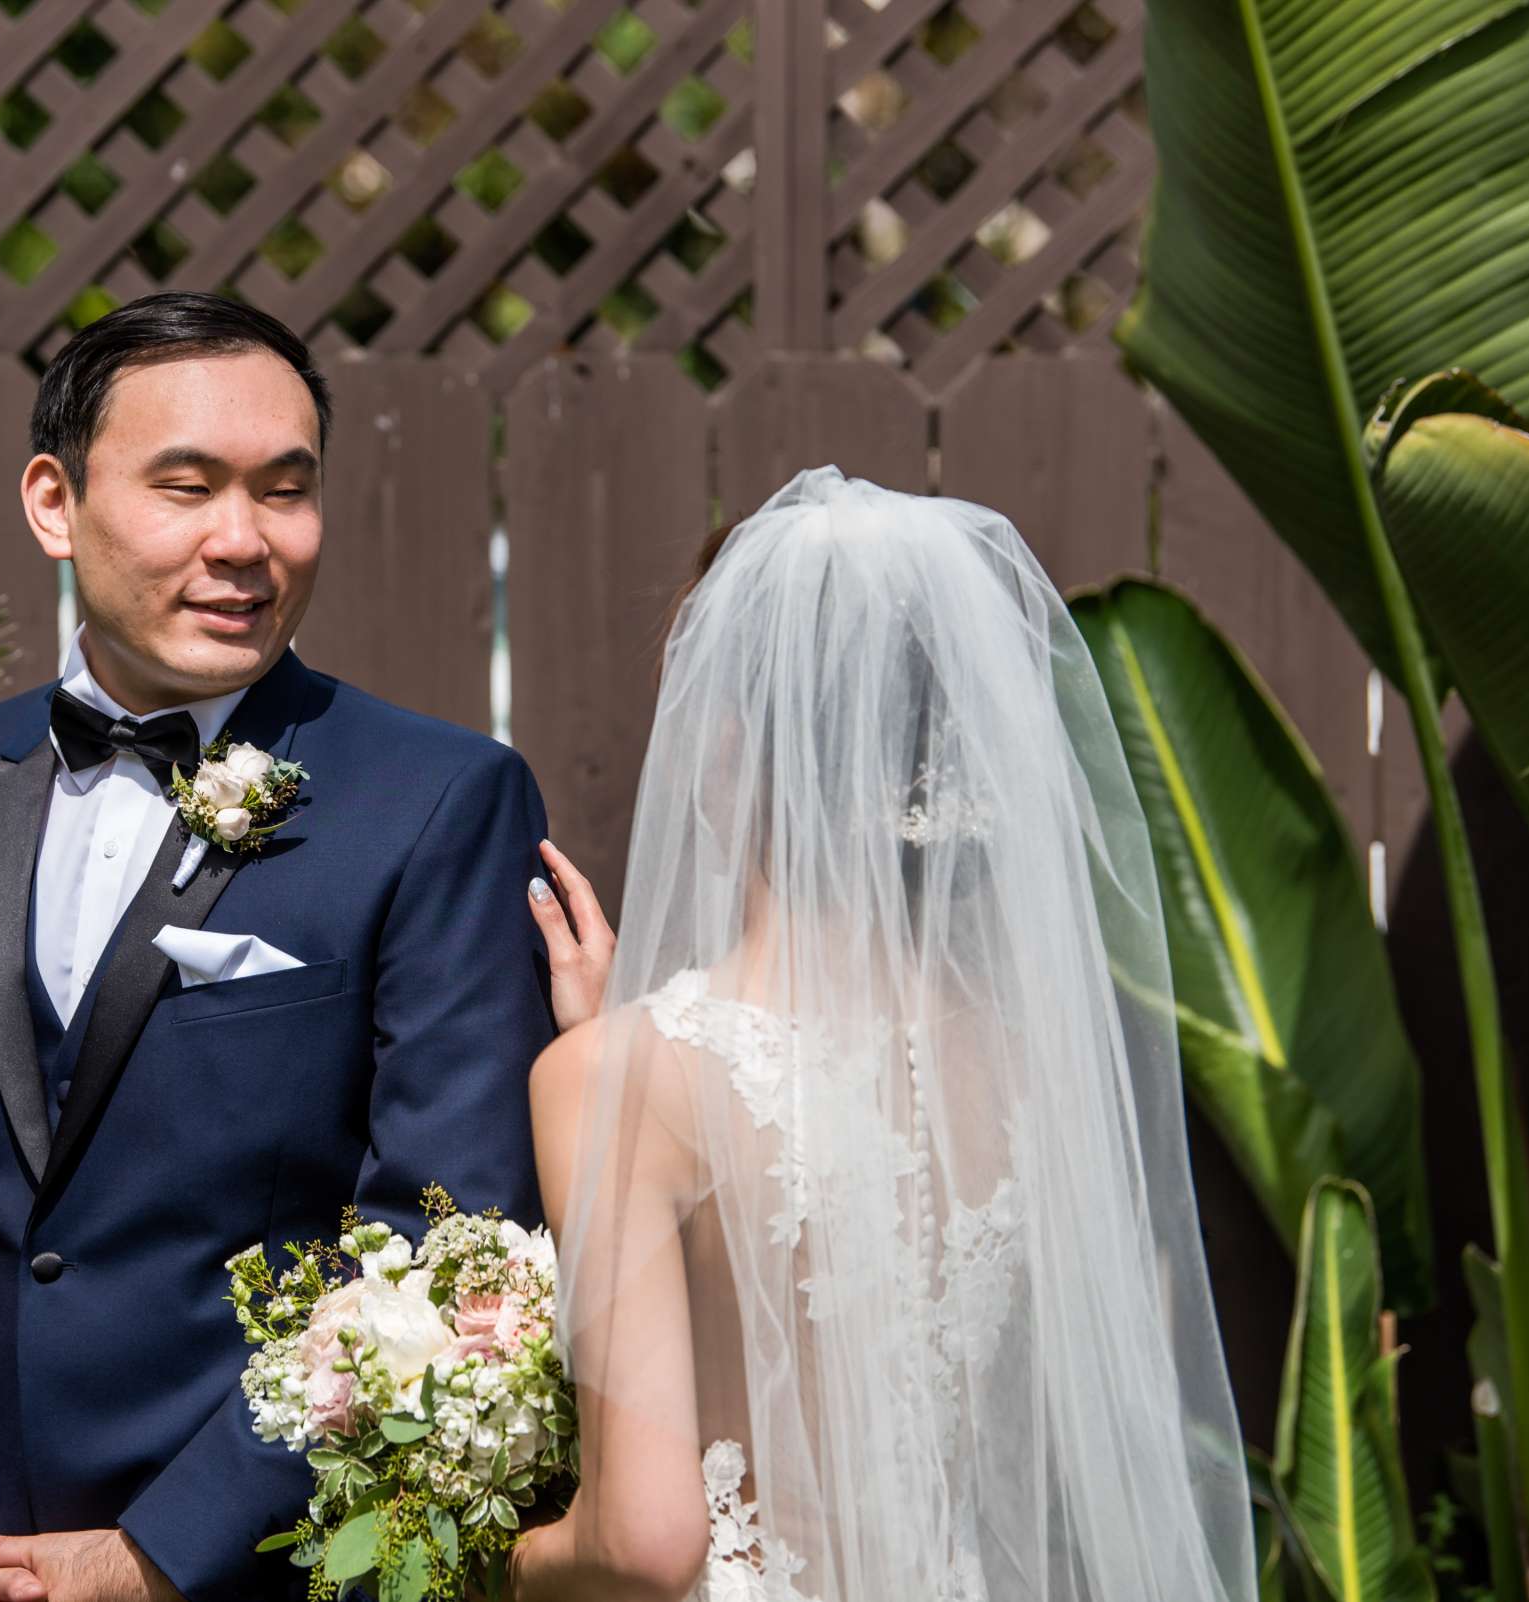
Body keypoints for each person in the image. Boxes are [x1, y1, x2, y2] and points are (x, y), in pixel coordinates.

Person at [0, 291, 562, 1602]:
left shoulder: (437, 802)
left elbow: (439, 1245)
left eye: (285, 489)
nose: (245, 540)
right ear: (55, 502)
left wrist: (149, 1559)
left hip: (265, 1568)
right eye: (187, 485)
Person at [511, 469, 1256, 1602]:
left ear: (718, 751)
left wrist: (500, 1559)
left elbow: (644, 1545)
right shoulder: (1025, 1053)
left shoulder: (622, 1079)